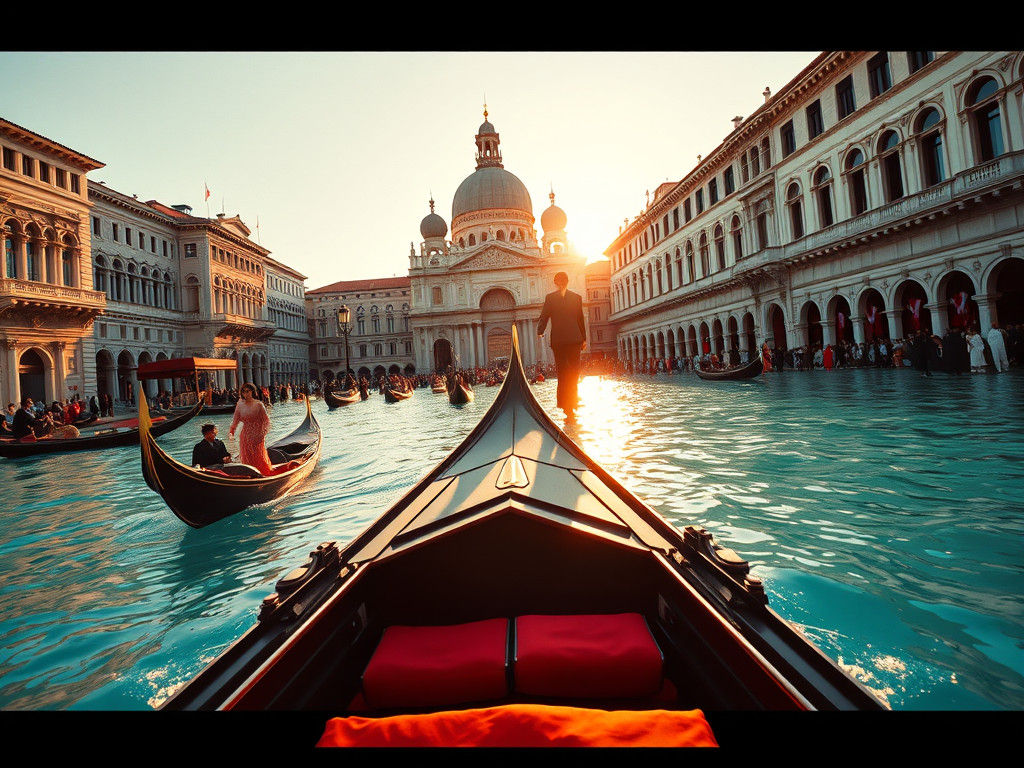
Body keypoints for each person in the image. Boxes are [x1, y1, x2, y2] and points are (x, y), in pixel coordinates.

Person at [537, 271, 586, 419]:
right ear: (567, 281)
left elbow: (544, 316)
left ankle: (567, 404)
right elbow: (580, 320)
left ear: (556, 283)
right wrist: (583, 338)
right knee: (571, 372)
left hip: (562, 340)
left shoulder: (551, 298)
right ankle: (570, 404)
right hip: (572, 339)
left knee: (565, 373)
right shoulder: (576, 298)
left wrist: (540, 331)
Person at [229, 382, 273, 474]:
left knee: (258, 457)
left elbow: (266, 422)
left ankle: (262, 474)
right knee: (246, 457)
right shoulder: (240, 405)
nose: (246, 394)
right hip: (245, 436)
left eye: (248, 391)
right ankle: (249, 475)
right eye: (244, 392)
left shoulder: (259, 405)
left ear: (252, 392)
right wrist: (231, 432)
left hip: (257, 436)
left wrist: (262, 435)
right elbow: (235, 420)